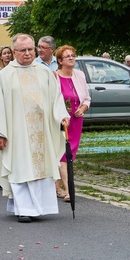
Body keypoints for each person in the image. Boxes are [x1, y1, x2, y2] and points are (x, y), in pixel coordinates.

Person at [0, 34, 69, 223]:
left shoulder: (44, 72)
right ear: (14, 52)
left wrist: (62, 115)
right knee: (19, 167)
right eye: (23, 50)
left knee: (41, 165)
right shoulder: (5, 75)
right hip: (16, 133)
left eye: (31, 49)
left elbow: (56, 98)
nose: (28, 53)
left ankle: (40, 207)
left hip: (42, 131)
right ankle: (23, 209)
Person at [54, 45, 90, 202]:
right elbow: (52, 101)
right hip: (61, 121)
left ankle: (56, 184)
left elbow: (87, 98)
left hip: (76, 120)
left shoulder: (79, 75)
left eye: (73, 55)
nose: (71, 58)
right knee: (64, 154)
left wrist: (83, 108)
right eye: (67, 56)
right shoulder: (54, 76)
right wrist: (61, 116)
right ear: (60, 61)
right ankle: (69, 191)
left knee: (71, 154)